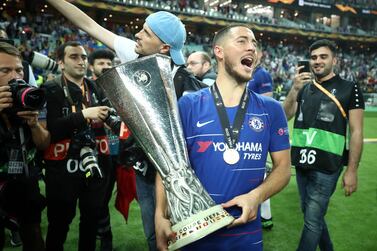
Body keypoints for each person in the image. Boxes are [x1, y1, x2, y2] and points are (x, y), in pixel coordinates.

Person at [46, 2, 205, 250]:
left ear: (163, 47)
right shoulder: (140, 54)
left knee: (177, 238)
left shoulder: (188, 87)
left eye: (146, 33)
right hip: (144, 170)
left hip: (174, 179)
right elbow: (89, 25)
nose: (137, 35)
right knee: (153, 236)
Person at [155, 24, 291, 251]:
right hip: (193, 233)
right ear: (219, 51)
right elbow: (169, 167)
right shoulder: (188, 105)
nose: (252, 49)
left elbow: (284, 169)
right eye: (242, 41)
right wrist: (160, 215)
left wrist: (256, 196)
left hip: (245, 236)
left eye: (255, 44)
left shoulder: (271, 109)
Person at [284, 39, 364, 251]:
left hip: (328, 165)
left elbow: (356, 131)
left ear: (334, 60)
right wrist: (294, 89)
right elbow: (285, 116)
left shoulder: (350, 88)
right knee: (312, 215)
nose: (317, 61)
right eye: (313, 57)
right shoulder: (303, 87)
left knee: (312, 220)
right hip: (301, 161)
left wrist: (352, 170)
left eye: (323, 57)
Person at [42, 41, 112, 251]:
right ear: (61, 63)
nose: (81, 61)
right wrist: (83, 115)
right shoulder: (50, 89)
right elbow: (50, 131)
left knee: (91, 222)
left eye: (83, 57)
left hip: (94, 163)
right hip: (62, 168)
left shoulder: (95, 87)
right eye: (74, 57)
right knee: (59, 225)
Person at [0, 42, 49, 251]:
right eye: (5, 70)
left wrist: (34, 124)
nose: (15, 76)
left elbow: (44, 143)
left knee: (34, 236)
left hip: (24, 180)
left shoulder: (28, 98)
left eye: (19, 69)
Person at [88, 48, 117, 251]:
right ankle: (104, 234)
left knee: (104, 196)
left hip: (116, 152)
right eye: (101, 63)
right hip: (93, 151)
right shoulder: (86, 88)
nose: (106, 67)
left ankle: (103, 233)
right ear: (92, 66)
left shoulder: (119, 87)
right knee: (95, 199)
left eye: (109, 63)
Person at [247, 42, 274, 230]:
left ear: (261, 55)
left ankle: (266, 216)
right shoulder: (246, 72)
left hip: (255, 128)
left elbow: (268, 102)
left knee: (259, 175)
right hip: (244, 128)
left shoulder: (262, 74)